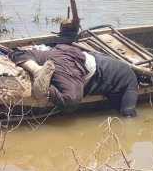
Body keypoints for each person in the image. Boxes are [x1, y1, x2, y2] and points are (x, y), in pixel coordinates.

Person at [10, 44, 139, 117]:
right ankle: (46, 90)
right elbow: (128, 112)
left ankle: (35, 69)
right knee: (71, 99)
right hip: (73, 67)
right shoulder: (131, 83)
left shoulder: (120, 68)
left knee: (16, 53)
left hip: (63, 52)